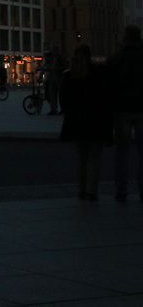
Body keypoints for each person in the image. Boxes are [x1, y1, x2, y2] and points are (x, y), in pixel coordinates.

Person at [59, 44, 112, 202]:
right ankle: (92, 191)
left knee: (81, 157)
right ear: (90, 56)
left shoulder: (69, 76)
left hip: (77, 123)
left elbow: (63, 100)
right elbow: (106, 97)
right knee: (95, 157)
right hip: (97, 121)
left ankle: (81, 190)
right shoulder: (99, 72)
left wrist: (70, 115)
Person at [107, 25, 143, 202]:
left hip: (121, 110)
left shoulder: (115, 59)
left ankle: (121, 190)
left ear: (125, 38)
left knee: (122, 152)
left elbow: (108, 87)